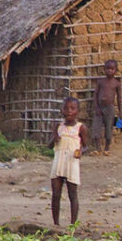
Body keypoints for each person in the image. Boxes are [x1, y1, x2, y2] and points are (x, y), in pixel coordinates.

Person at [51, 96, 86, 227]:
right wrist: (54, 138)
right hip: (58, 161)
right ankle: (56, 223)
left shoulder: (80, 128)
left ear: (78, 111)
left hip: (72, 162)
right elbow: (49, 146)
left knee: (72, 194)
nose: (69, 111)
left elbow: (86, 145)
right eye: (66, 108)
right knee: (56, 194)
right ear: (62, 110)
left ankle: (73, 223)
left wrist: (81, 152)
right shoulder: (58, 127)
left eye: (72, 108)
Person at [90, 59, 122, 155]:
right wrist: (96, 107)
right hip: (99, 108)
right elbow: (95, 95)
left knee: (109, 128)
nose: (109, 71)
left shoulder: (117, 83)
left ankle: (107, 148)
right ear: (104, 69)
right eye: (107, 68)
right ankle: (98, 148)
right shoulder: (100, 82)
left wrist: (120, 112)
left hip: (110, 108)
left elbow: (119, 98)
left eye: (112, 69)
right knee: (96, 127)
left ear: (116, 70)